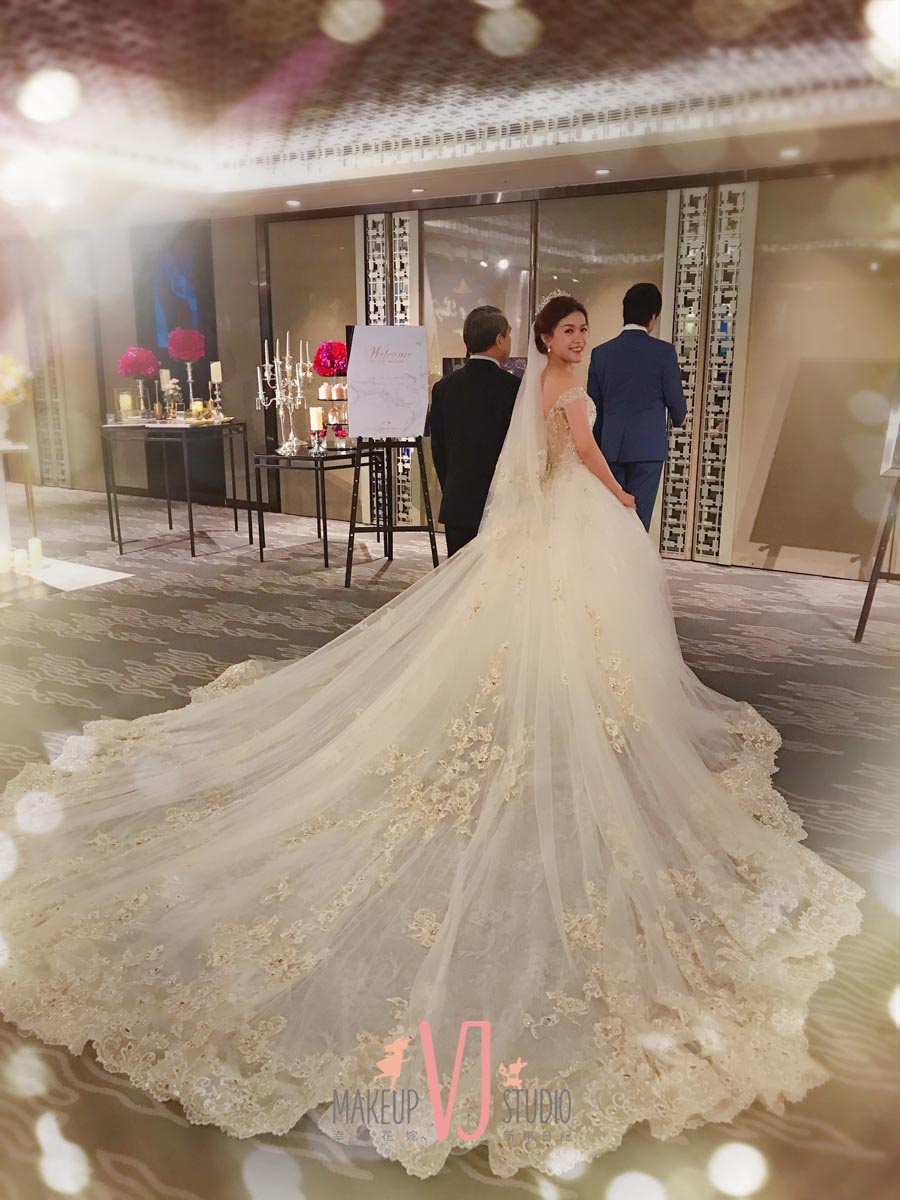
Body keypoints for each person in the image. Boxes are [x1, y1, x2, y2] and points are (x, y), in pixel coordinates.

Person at [0, 295, 863, 1182]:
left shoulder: (542, 382)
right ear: (541, 338)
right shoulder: (565, 387)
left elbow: (523, 460)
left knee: (547, 632)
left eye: (582, 329)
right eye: (567, 330)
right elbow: (586, 454)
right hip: (576, 516)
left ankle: (565, 697)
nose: (578, 339)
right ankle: (569, 703)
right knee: (575, 627)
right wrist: (616, 498)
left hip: (544, 522)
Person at [587, 282, 687, 531]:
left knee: (612, 517)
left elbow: (594, 404)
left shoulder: (601, 353)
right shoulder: (664, 352)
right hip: (648, 448)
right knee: (639, 520)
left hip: (610, 447)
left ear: (625, 312)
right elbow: (675, 399)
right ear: (653, 317)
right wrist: (680, 417)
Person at [428, 305, 520, 556]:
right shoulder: (513, 388)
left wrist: (452, 486)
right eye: (509, 335)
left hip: (457, 501)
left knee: (459, 572)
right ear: (499, 340)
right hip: (499, 502)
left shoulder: (443, 387)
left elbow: (438, 449)